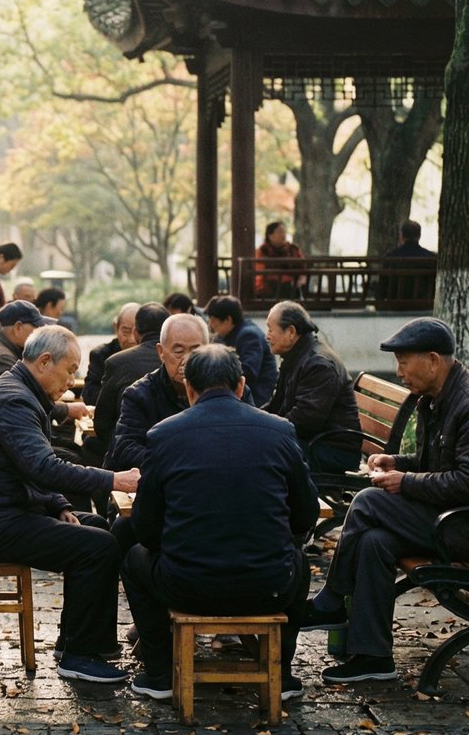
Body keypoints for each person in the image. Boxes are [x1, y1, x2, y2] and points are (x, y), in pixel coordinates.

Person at [299, 318, 469, 685]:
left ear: (434, 360)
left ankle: (330, 599)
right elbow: (437, 466)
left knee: (369, 502)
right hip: (453, 518)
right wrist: (398, 464)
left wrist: (404, 482)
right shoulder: (435, 398)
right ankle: (373, 656)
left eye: (404, 361)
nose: (399, 371)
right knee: (375, 541)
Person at [123, 345, 318, 701]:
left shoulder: (164, 435)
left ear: (189, 389)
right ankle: (282, 674)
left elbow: (146, 530)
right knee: (300, 563)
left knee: (134, 558)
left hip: (185, 586)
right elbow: (306, 515)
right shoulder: (280, 431)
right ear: (241, 385)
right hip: (269, 584)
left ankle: (160, 673)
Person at [0, 325, 140, 685]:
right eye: (70, 370)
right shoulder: (14, 399)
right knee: (97, 547)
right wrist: (114, 479)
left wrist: (58, 506)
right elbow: (44, 467)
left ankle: (79, 640)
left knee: (98, 528)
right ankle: (78, 657)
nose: (73, 380)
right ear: (44, 361)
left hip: (11, 509)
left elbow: (31, 464)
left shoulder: (21, 391)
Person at [264, 300, 363, 477]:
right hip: (312, 442)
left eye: (271, 329)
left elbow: (305, 421)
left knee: (260, 452)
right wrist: (251, 422)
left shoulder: (319, 364)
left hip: (333, 452)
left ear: (291, 332)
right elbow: (275, 405)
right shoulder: (296, 356)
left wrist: (265, 432)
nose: (267, 336)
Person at [106, 313, 210, 473]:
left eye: (196, 351)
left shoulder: (225, 388)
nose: (187, 360)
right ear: (161, 352)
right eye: (178, 351)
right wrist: (178, 464)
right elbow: (125, 449)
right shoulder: (140, 394)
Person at [0, 300, 89, 427]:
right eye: (38, 329)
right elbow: (27, 400)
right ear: (18, 328)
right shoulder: (1, 358)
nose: (41, 335)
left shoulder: (2, 347)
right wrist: (66, 409)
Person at [90, 302, 169, 458]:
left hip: (130, 452)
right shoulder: (179, 361)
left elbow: (102, 423)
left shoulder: (117, 362)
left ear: (135, 332)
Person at [204, 294, 278, 406]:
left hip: (256, 397)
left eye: (214, 320)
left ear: (228, 319)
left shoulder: (249, 335)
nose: (210, 324)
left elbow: (249, 371)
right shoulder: (227, 334)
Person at [82, 302, 139, 405]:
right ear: (116, 328)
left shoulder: (152, 355)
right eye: (126, 332)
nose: (131, 339)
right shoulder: (100, 355)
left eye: (136, 332)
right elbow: (89, 394)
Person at [379, 219, 437, 303]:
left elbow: (383, 284)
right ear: (419, 236)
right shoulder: (431, 257)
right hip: (423, 304)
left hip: (395, 303)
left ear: (401, 236)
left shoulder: (391, 256)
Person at [254, 221, 304, 299]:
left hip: (292, 284)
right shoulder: (262, 250)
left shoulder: (293, 249)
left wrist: (301, 280)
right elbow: (260, 271)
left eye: (284, 232)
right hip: (270, 285)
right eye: (279, 232)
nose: (283, 234)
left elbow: (302, 267)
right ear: (270, 235)